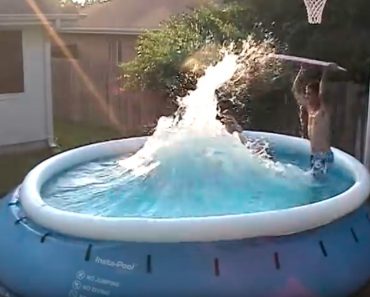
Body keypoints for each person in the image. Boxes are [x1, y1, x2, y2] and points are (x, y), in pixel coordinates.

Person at [292, 63, 339, 177]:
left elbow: (323, 93)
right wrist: (301, 72)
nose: (306, 96)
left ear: (316, 95)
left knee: (315, 183)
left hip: (323, 156)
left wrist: (326, 72)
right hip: (315, 156)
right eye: (306, 94)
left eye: (309, 94)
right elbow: (295, 92)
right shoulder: (309, 109)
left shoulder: (323, 111)